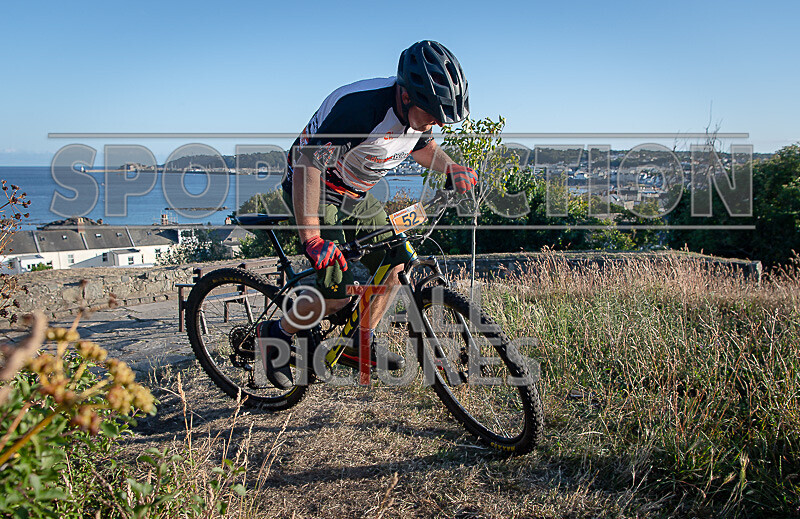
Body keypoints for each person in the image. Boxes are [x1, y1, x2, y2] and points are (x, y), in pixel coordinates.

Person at [260, 40, 478, 389]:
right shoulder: (360, 109)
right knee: (338, 292)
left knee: (395, 260)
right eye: (433, 113)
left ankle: (357, 342)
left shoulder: (419, 115)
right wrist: (312, 238)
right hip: (315, 185)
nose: (436, 122)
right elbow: (308, 164)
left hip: (355, 193)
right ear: (406, 95)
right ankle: (276, 335)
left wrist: (451, 167)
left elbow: (423, 145)